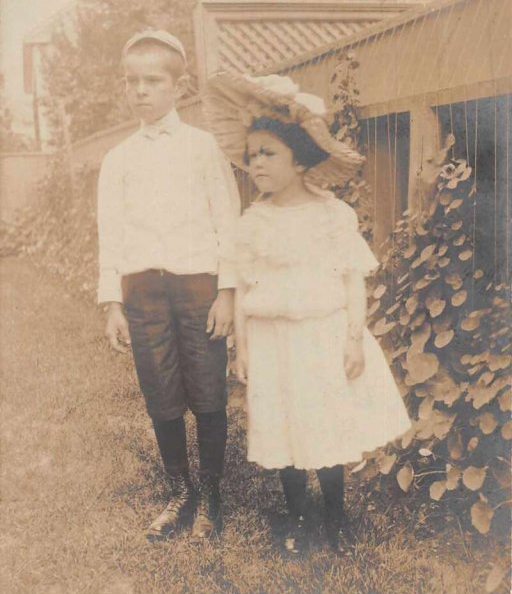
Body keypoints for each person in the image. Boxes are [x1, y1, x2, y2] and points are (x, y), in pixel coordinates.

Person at [206, 72, 411, 555]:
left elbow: (350, 279)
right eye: (251, 155)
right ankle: (296, 514)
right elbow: (242, 286)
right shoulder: (253, 223)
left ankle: (335, 517)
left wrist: (354, 338)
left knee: (326, 422)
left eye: (268, 153)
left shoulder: (331, 215)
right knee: (285, 424)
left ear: (300, 160)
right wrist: (243, 350)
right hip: (274, 340)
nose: (256, 163)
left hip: (321, 335)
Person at [97, 30, 240, 541]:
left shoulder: (203, 149)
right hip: (143, 291)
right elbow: (110, 234)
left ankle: (212, 496)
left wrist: (227, 291)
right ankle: (181, 493)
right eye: (132, 81)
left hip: (198, 285)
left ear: (177, 88)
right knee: (160, 391)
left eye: (152, 81)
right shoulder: (118, 159)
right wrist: (113, 301)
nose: (140, 91)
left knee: (206, 388)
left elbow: (229, 220)